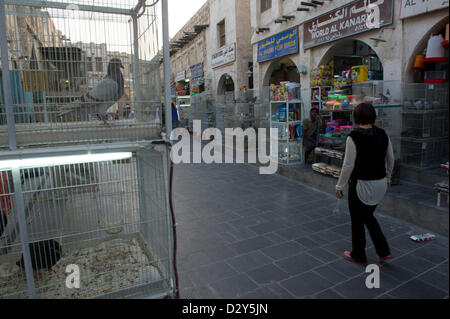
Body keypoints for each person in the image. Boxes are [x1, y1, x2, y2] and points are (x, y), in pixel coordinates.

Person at [336, 103, 394, 266]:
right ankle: (383, 251)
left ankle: (359, 254)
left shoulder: (353, 137)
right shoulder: (383, 134)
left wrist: (339, 186)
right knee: (367, 216)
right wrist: (388, 177)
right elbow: (391, 158)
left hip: (361, 184)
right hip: (381, 183)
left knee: (358, 219)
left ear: (356, 117)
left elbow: (348, 165)